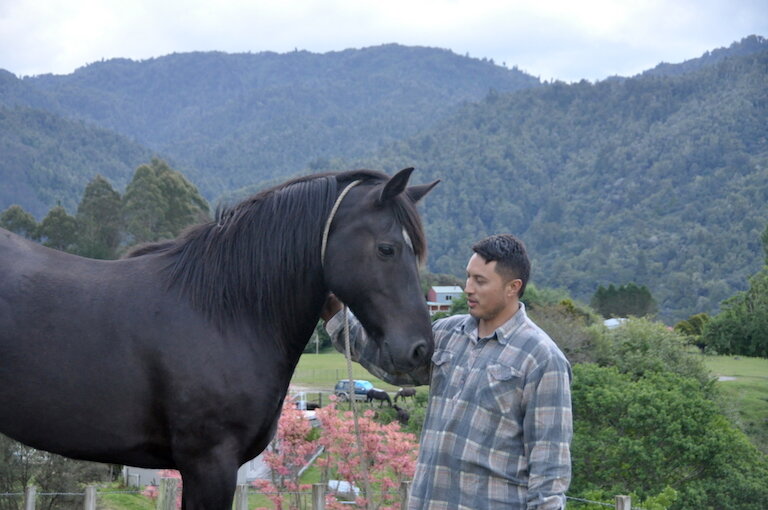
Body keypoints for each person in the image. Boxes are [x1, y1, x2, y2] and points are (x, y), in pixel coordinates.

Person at [322, 234, 572, 510]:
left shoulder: (541, 359)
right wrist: (335, 315)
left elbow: (550, 468)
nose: (468, 288)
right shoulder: (446, 333)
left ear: (513, 287)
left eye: (480, 281)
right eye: (468, 277)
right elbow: (391, 364)